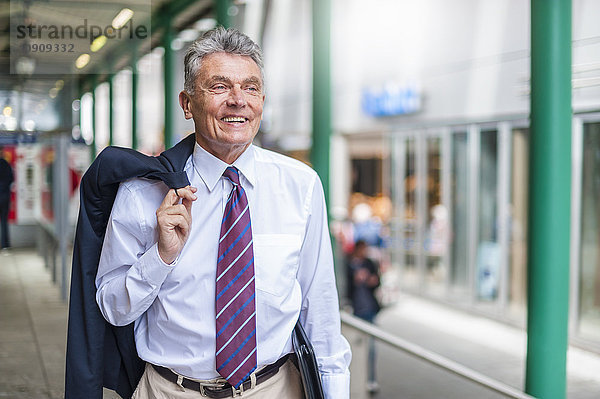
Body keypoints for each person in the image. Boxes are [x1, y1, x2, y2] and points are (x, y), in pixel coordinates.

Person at [95, 27, 351, 398]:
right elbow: (112, 309)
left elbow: (320, 309)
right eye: (219, 87)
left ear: (262, 99)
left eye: (250, 87)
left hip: (275, 388)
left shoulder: (301, 185)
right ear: (187, 103)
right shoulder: (144, 194)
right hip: (172, 391)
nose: (238, 101)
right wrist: (161, 256)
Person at [346, 240, 380, 393]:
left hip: (370, 309)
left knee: (371, 348)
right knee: (356, 347)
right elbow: (346, 287)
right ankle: (357, 378)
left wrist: (371, 280)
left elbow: (377, 281)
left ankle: (370, 379)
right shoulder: (348, 265)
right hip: (356, 311)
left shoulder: (369, 264)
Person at [0, 147, 14, 250]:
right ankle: (5, 245)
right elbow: (11, 179)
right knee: (4, 221)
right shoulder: (6, 164)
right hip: (4, 196)